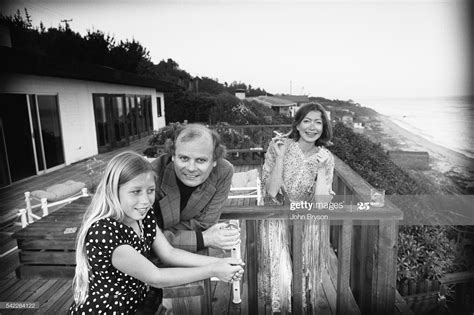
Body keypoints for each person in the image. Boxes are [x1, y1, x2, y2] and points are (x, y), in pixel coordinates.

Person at [69, 151, 244, 314]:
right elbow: (156, 276)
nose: (145, 200)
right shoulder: (104, 232)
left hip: (140, 303)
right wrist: (213, 270)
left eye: (150, 191)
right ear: (113, 190)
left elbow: (169, 253)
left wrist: (221, 262)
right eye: (136, 192)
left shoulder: (142, 216)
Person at [260, 102, 335, 312]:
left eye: (318, 122)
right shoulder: (280, 146)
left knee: (303, 281)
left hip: (308, 224)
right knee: (281, 278)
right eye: (307, 121)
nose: (312, 127)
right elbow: (272, 191)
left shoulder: (326, 157)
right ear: (298, 125)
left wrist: (321, 169)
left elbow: (321, 204)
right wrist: (281, 157)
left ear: (323, 127)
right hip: (277, 220)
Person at [151, 123, 240, 252]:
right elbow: (145, 235)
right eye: (184, 158)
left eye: (201, 160)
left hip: (194, 255)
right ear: (173, 156)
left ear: (214, 160)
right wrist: (203, 238)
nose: (191, 168)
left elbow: (205, 224)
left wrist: (164, 234)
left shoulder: (223, 171)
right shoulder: (153, 174)